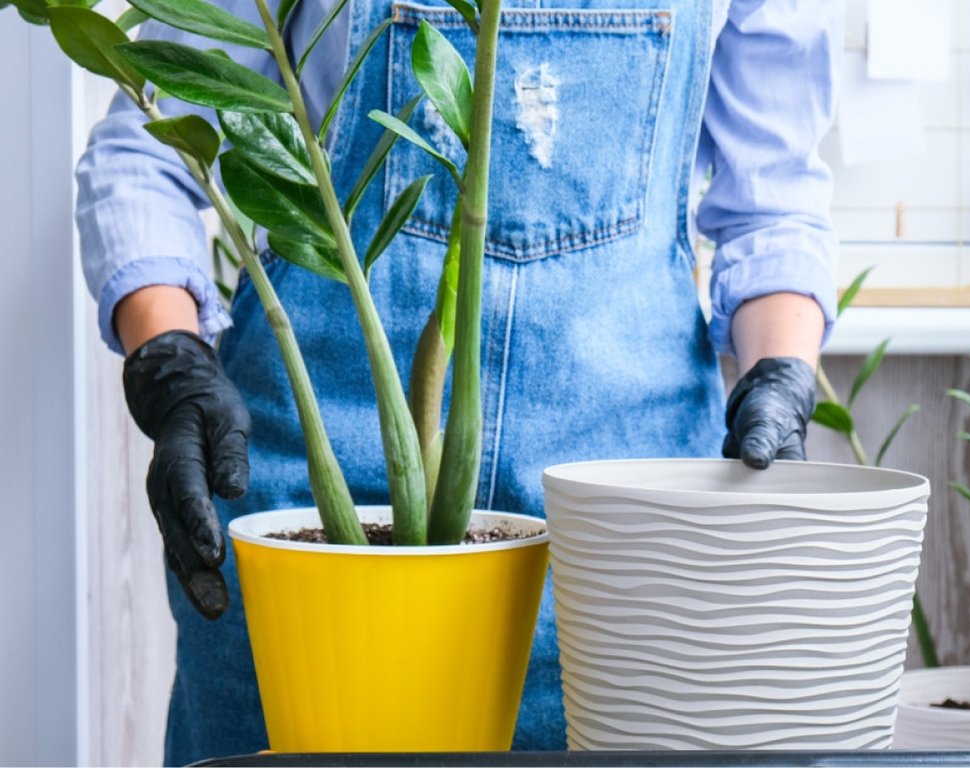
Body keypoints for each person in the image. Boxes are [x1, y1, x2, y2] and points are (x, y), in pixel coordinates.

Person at [78, 0, 840, 763]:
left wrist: (779, 372)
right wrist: (169, 364)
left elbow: (773, 203)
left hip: (624, 560)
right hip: (312, 548)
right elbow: (148, 148)